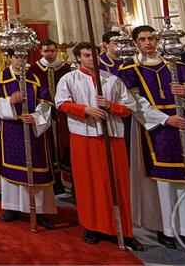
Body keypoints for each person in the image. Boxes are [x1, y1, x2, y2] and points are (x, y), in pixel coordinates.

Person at [119, 25, 185, 249]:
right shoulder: (131, 69)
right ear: (135, 43)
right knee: (163, 181)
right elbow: (135, 102)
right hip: (156, 130)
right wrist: (164, 119)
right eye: (142, 39)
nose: (148, 43)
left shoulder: (176, 65)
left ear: (158, 40)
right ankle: (168, 229)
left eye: (151, 38)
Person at [55, 42, 143, 250]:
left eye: (93, 55)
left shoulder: (112, 80)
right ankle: (91, 226)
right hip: (84, 135)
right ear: (78, 58)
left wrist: (111, 106)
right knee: (88, 183)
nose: (90, 59)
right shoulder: (69, 79)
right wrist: (85, 109)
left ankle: (123, 229)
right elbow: (61, 102)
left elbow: (130, 107)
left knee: (118, 183)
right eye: (85, 55)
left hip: (112, 136)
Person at [0, 51, 56, 229]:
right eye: (17, 57)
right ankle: (12, 207)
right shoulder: (1, 78)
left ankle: (39, 210)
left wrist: (35, 117)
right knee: (12, 169)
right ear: (9, 58)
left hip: (34, 131)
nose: (20, 61)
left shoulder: (35, 79)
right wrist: (10, 101)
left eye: (23, 57)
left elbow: (45, 103)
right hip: (12, 129)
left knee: (37, 168)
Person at [29, 39, 73, 195]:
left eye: (52, 51)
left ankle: (71, 181)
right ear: (40, 52)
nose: (49, 54)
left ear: (56, 51)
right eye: (46, 51)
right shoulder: (34, 70)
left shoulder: (67, 69)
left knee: (66, 145)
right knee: (47, 146)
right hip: (44, 114)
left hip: (65, 115)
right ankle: (53, 181)